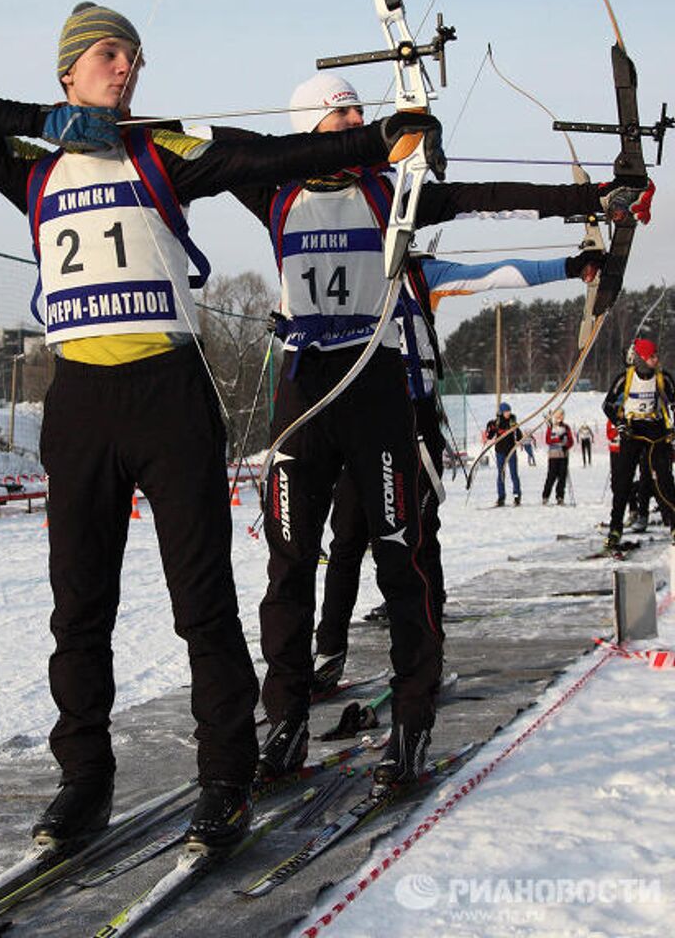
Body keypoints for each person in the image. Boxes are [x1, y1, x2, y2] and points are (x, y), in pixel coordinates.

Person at [0, 3, 439, 850]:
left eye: (134, 59)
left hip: (169, 394)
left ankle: (226, 776)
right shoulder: (34, 165)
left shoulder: (162, 150)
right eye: (110, 56)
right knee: (78, 606)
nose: (127, 70)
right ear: (71, 70)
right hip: (80, 399)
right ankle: (83, 779)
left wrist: (375, 140)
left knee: (202, 603)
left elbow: (273, 154)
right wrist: (47, 123)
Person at [223, 69, 646, 788]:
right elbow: (221, 148)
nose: (358, 118)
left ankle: (412, 721)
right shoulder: (272, 188)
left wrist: (595, 201)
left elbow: (492, 199)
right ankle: (287, 717)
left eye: (362, 108)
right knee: (290, 566)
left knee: (403, 556)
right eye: (340, 113)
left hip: (377, 391)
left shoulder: (396, 194)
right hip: (304, 397)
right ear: (306, 128)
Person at [313, 248, 602, 691]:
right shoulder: (344, 268)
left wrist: (569, 266)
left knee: (418, 537)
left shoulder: (420, 274)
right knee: (347, 535)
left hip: (412, 418)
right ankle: (328, 652)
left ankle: (427, 655)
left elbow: (496, 273)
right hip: (361, 421)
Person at [602, 337, 675, 552]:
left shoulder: (663, 378)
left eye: (656, 355)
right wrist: (620, 423)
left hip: (655, 430)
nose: (656, 359)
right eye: (652, 356)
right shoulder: (626, 378)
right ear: (642, 358)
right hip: (632, 430)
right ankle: (616, 528)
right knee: (622, 483)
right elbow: (607, 405)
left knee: (663, 479)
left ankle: (673, 523)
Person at [486, 403, 523, 506]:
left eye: (509, 411)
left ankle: (517, 496)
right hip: (500, 451)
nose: (508, 413)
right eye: (506, 411)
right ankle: (501, 497)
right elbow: (490, 436)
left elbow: (519, 435)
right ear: (502, 412)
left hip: (511, 450)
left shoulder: (512, 422)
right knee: (501, 474)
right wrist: (490, 428)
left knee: (514, 474)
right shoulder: (496, 423)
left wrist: (520, 439)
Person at [542, 408, 574, 504]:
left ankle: (560, 497)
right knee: (551, 477)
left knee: (562, 477)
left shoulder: (566, 427)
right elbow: (548, 440)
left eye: (561, 415)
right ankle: (545, 496)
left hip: (563, 456)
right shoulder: (551, 427)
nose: (560, 417)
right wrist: (558, 439)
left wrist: (566, 446)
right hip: (553, 456)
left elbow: (571, 441)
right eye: (558, 416)